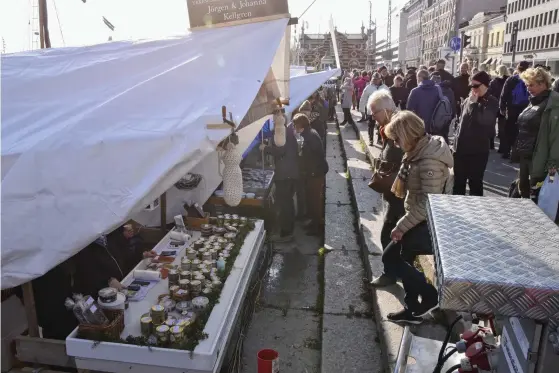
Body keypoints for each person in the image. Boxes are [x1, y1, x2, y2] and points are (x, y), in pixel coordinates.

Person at [382, 110, 453, 323]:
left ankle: (429, 296)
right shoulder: (420, 151)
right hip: (417, 219)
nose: (395, 144)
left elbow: (427, 202)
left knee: (391, 258)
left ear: (406, 135)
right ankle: (412, 309)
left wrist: (401, 226)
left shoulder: (428, 160)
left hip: (424, 223)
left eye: (396, 139)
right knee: (402, 259)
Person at [366, 91, 406, 287]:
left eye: (375, 113)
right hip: (394, 191)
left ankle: (390, 273)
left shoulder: (399, 129)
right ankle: (396, 270)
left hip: (400, 194)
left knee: (387, 233)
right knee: (393, 233)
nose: (372, 117)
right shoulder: (391, 127)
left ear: (387, 110)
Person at [515, 67, 559, 199]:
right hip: (526, 157)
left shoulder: (553, 105)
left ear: (542, 84)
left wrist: (552, 168)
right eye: (527, 85)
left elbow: (556, 138)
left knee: (539, 198)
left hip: (540, 162)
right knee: (524, 193)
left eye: (531, 85)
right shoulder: (534, 101)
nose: (528, 88)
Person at [453, 71, 499, 196]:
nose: (473, 89)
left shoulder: (492, 101)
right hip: (460, 149)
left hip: (477, 151)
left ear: (485, 85)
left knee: (475, 183)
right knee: (458, 183)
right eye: (471, 86)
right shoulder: (469, 99)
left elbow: (485, 121)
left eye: (476, 86)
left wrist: (473, 105)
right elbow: (461, 122)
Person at [261, 115, 300, 242]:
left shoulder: (283, 134)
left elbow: (280, 151)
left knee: (285, 203)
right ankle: (289, 228)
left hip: (285, 174)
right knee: (287, 201)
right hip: (291, 172)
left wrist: (265, 148)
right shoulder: (286, 130)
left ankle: (286, 232)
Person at [294, 113, 328, 236]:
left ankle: (316, 226)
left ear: (300, 125)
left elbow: (313, 157)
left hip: (315, 173)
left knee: (314, 201)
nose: (294, 127)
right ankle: (313, 222)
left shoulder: (310, 136)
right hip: (313, 172)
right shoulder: (309, 133)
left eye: (295, 125)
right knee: (311, 199)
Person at [499, 61, 531, 159]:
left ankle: (506, 151)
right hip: (526, 108)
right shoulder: (530, 80)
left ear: (518, 69)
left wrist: (502, 107)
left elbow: (503, 94)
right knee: (522, 131)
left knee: (509, 129)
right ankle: (517, 153)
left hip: (512, 108)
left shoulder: (511, 79)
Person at [407, 69, 440, 134]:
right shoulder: (437, 89)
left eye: (417, 78)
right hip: (435, 124)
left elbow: (409, 109)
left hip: (419, 125)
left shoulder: (415, 91)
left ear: (420, 77)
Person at [360, 73, 389, 144]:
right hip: (371, 110)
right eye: (374, 79)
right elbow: (363, 99)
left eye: (377, 79)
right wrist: (362, 110)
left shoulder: (384, 87)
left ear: (380, 79)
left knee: (380, 125)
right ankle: (371, 139)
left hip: (381, 110)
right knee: (371, 125)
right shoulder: (368, 88)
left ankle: (379, 139)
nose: (375, 81)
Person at [488, 65, 510, 152]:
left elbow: (489, 93)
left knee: (491, 125)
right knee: (502, 127)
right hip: (504, 105)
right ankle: (502, 148)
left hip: (494, 105)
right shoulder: (509, 80)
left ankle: (491, 144)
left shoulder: (494, 81)